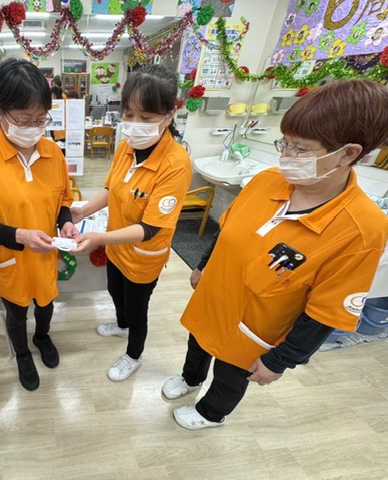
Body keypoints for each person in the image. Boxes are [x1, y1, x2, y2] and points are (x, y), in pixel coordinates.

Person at [162, 79, 388, 430]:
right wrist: (203, 264)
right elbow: (229, 227)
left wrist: (280, 361)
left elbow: (325, 312)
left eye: (301, 149)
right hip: (213, 298)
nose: (286, 157)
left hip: (254, 327)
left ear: (348, 153)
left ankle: (211, 413)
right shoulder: (267, 180)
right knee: (198, 343)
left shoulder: (362, 227)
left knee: (230, 374)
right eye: (285, 143)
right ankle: (191, 378)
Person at [0, 58, 78, 391]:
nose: (33, 127)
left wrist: (65, 223)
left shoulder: (52, 152)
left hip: (44, 253)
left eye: (40, 119)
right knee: (16, 311)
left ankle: (42, 337)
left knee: (46, 302)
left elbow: (63, 200)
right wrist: (20, 236)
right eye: (24, 119)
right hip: (9, 257)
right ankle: (23, 353)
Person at [71, 64, 192, 381]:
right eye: (129, 114)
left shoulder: (175, 164)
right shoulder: (127, 146)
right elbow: (112, 188)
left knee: (138, 309)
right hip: (116, 247)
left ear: (169, 115)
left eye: (146, 118)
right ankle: (121, 325)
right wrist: (83, 211)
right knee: (115, 291)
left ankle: (134, 355)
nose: (135, 124)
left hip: (142, 256)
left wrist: (98, 238)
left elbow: (150, 228)